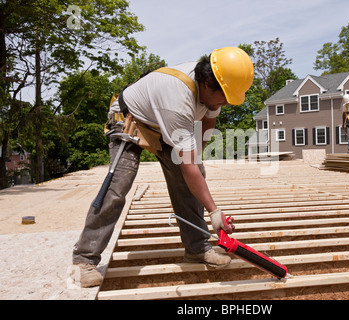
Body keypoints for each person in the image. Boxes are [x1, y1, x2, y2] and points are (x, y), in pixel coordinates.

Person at [71, 47, 254, 288]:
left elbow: (209, 120)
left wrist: (195, 154)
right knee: (119, 185)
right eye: (225, 98)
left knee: (190, 177)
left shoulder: (217, 83)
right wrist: (214, 211)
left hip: (162, 123)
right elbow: (187, 164)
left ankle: (197, 248)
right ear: (208, 83)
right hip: (131, 119)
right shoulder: (177, 99)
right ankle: (84, 259)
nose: (227, 103)